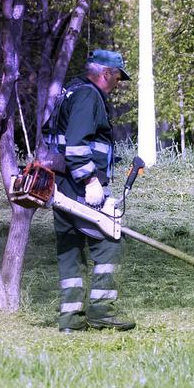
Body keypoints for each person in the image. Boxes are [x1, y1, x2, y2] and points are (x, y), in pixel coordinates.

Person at [45, 48, 135, 332]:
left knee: (70, 249)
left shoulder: (71, 91)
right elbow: (76, 146)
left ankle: (70, 320)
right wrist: (90, 181)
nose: (118, 83)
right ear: (106, 73)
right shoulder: (88, 96)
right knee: (110, 242)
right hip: (78, 186)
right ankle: (102, 311)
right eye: (118, 77)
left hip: (59, 184)